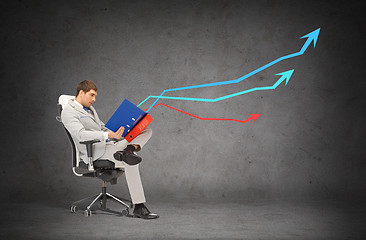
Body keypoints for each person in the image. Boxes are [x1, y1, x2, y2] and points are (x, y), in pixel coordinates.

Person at [61, 80, 159, 219]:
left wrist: (120, 131)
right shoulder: (68, 112)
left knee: (145, 129)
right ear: (81, 93)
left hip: (109, 145)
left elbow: (101, 127)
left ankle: (128, 150)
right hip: (93, 151)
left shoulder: (90, 109)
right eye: (92, 95)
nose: (94, 99)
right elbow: (80, 134)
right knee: (132, 161)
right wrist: (108, 135)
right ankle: (139, 207)